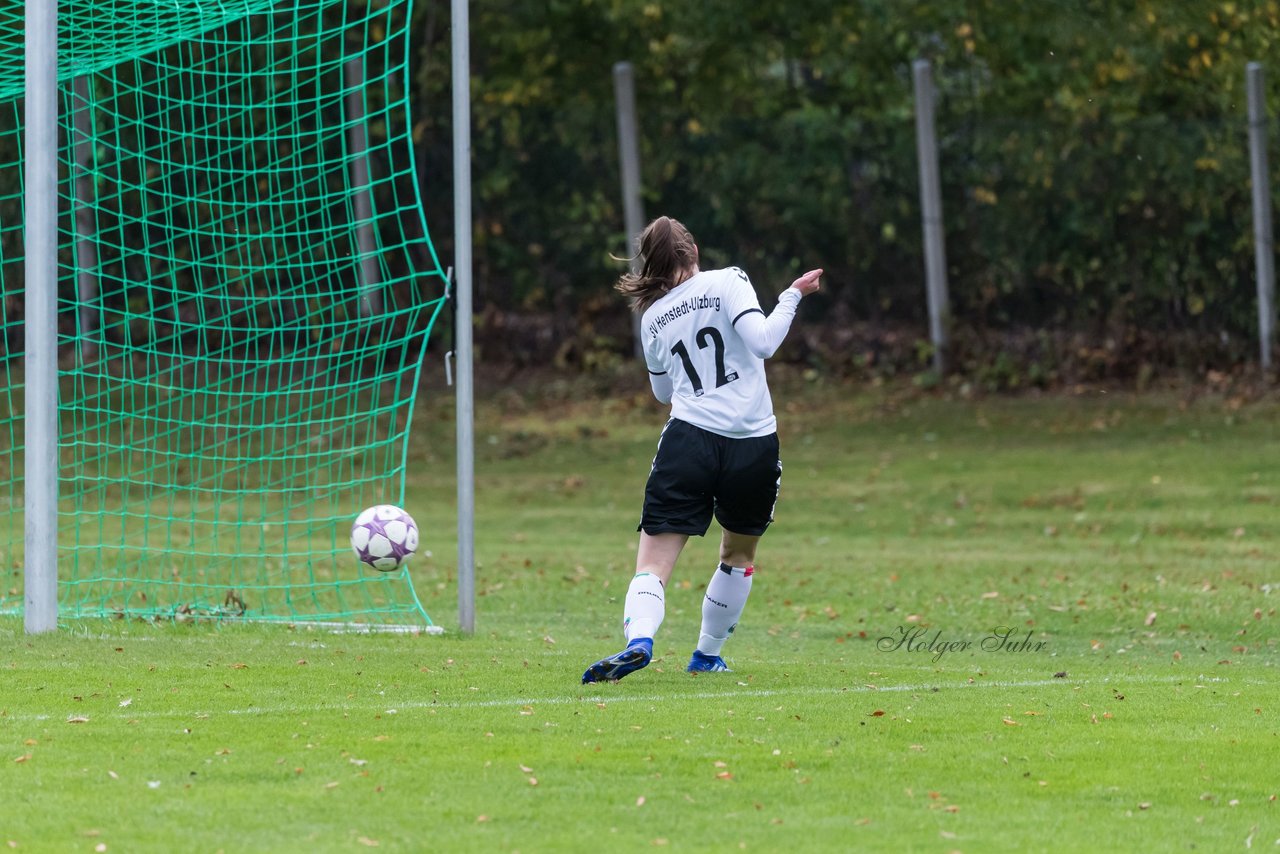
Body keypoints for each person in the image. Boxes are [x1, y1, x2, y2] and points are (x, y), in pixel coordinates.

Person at [582, 216, 822, 683]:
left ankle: (639, 642)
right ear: (693, 252)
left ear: (652, 264)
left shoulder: (651, 317)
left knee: (653, 564)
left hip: (689, 440)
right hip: (752, 444)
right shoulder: (728, 281)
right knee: (737, 555)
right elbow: (765, 343)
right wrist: (792, 295)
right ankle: (707, 655)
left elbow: (662, 393)